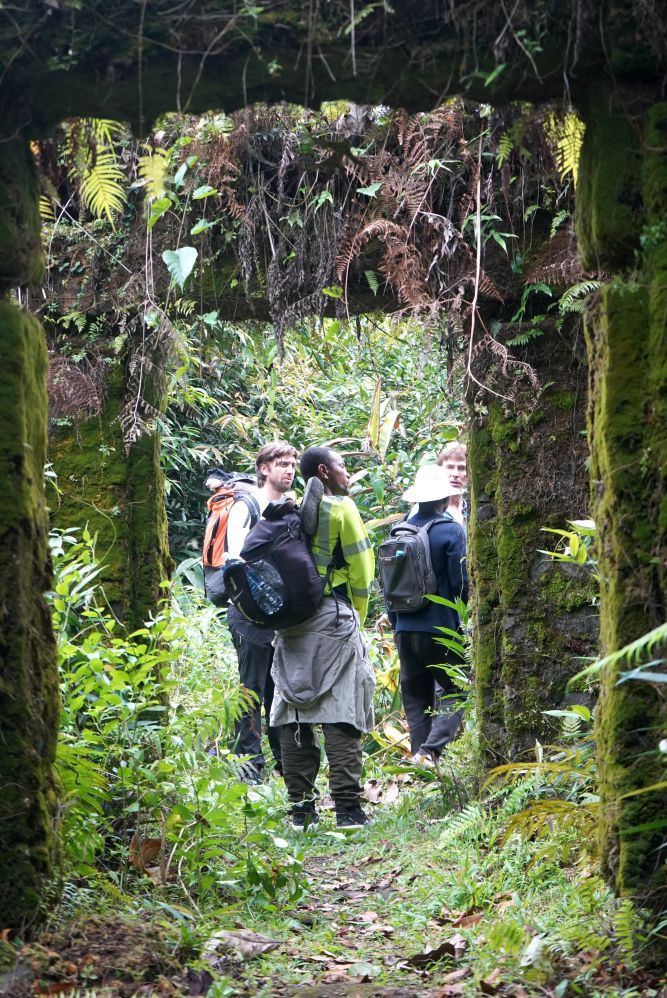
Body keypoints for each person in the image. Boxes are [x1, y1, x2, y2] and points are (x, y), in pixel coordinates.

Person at [270, 446, 376, 831]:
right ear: (324, 472)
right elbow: (362, 571)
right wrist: (356, 616)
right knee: (341, 712)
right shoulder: (342, 509)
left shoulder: (288, 513)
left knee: (294, 714)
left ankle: (301, 812)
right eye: (342, 465)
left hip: (290, 624)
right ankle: (348, 811)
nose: (347, 472)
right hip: (333, 618)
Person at [226, 440, 298, 782]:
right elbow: (236, 561)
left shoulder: (289, 508)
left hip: (281, 616)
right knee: (252, 689)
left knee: (279, 689)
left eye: (292, 465)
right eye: (282, 464)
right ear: (264, 468)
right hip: (249, 614)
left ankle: (286, 764)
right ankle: (248, 769)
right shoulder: (246, 507)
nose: (289, 470)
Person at [391, 464, 468, 767]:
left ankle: (420, 761)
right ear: (445, 499)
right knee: (457, 688)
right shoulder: (452, 531)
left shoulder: (398, 531)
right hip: (441, 628)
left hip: (404, 627)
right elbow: (461, 583)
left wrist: (397, 624)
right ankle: (430, 751)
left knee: (415, 698)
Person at [438, 441, 468, 526]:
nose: (455, 474)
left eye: (461, 468)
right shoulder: (428, 511)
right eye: (450, 467)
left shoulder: (473, 509)